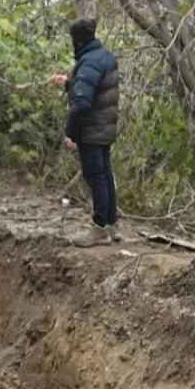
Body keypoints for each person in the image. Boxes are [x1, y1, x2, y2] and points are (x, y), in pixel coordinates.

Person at [51, 19, 121, 247]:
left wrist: (71, 133)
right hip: (105, 127)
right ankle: (111, 225)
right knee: (105, 176)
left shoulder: (88, 61)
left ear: (77, 40)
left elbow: (81, 102)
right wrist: (69, 83)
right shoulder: (104, 56)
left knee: (96, 178)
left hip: (91, 129)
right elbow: (93, 86)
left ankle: (99, 229)